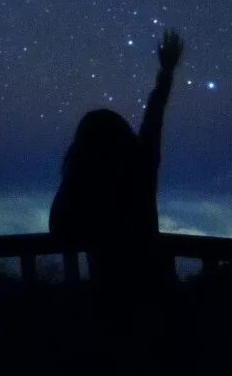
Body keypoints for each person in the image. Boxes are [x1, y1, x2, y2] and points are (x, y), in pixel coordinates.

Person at [49, 28, 184, 291]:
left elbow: (59, 227)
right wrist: (166, 73)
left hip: (108, 292)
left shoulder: (81, 188)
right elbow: (153, 119)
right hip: (157, 284)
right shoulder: (141, 167)